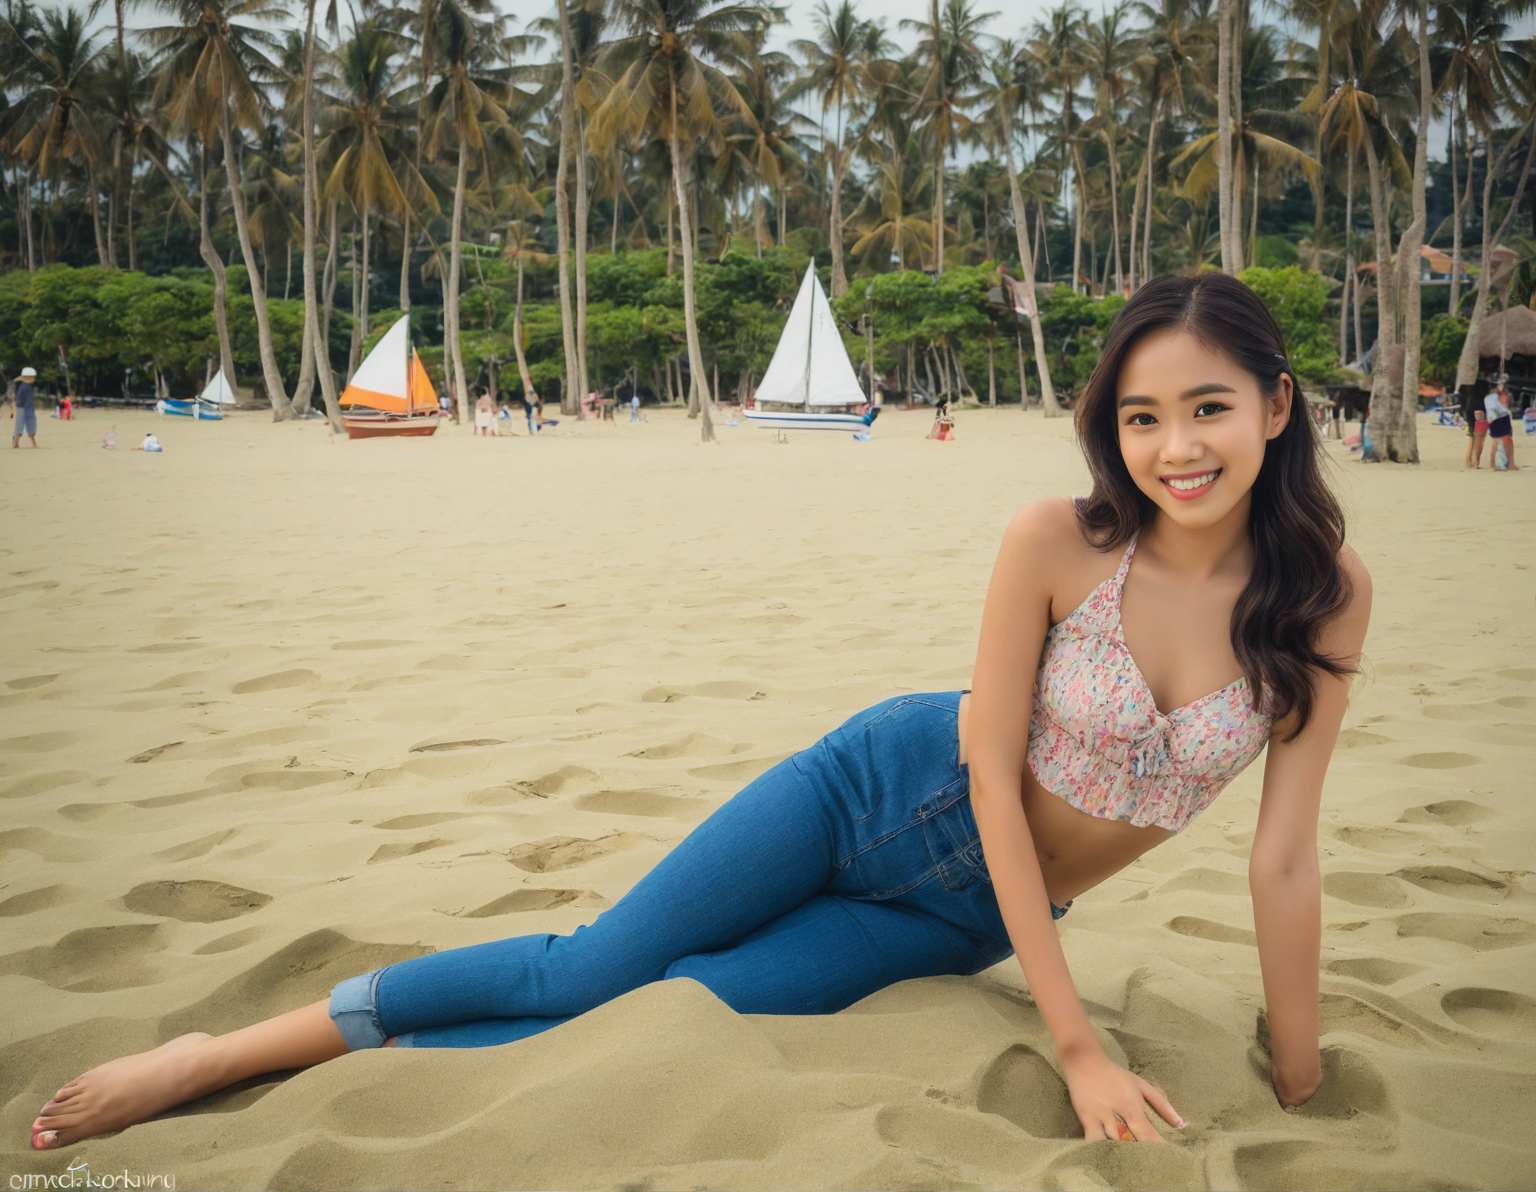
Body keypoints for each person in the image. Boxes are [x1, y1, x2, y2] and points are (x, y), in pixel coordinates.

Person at [28, 273, 1371, 1151]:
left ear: (1275, 406)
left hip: (953, 916)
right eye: (1143, 418)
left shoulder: (1325, 599)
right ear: (1111, 430)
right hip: (879, 788)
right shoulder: (1057, 541)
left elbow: (1284, 855)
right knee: (587, 973)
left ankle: (343, 1081)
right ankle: (223, 1057)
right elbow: (981, 771)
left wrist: (1303, 1083)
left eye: (1208, 409)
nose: (1176, 448)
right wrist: (1072, 1042)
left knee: (674, 1010)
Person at [1484, 382, 1516, 471]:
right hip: (1500, 416)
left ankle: (1493, 464)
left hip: (1495, 417)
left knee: (1499, 441)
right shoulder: (1499, 394)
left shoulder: (1493, 394)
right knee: (1503, 440)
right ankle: (1510, 464)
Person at [12, 365, 38, 448]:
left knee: (28, 424)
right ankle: (16, 443)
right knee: (21, 425)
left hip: (27, 408)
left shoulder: (27, 387)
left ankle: (32, 443)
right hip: (23, 408)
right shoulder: (24, 387)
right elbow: (19, 398)